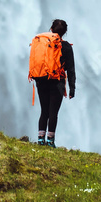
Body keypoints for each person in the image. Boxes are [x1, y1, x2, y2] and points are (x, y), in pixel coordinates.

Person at [32, 18, 75, 147]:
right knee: (53, 113)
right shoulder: (66, 47)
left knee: (44, 111)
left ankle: (40, 139)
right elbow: (71, 69)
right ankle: (50, 141)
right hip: (57, 83)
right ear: (65, 32)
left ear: (51, 29)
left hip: (41, 80)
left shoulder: (42, 44)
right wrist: (72, 88)